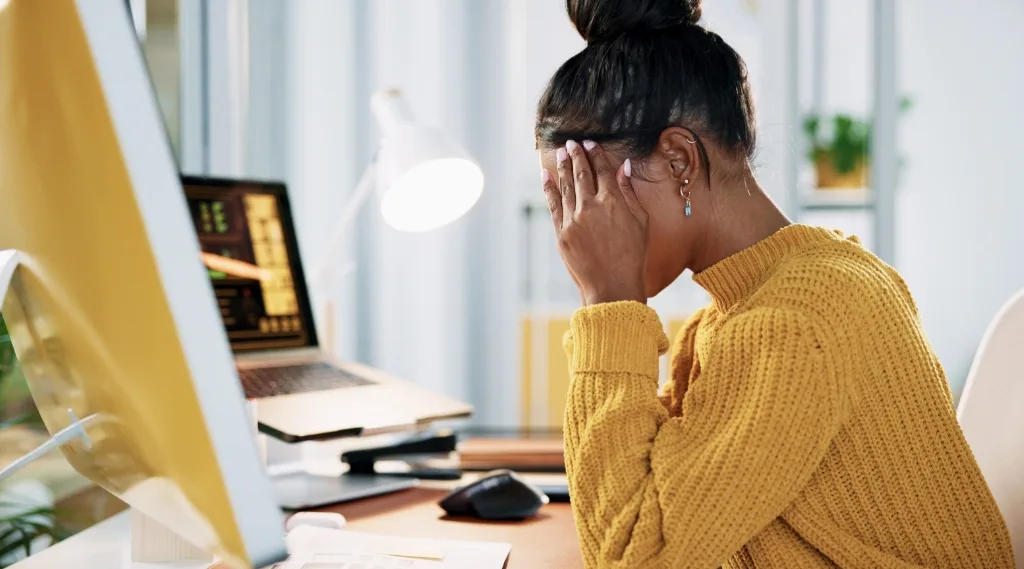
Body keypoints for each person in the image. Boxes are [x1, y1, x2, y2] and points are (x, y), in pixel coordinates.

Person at [535, 1, 1015, 568]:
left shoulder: (792, 324)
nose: (574, 229)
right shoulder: (759, 304)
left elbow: (634, 557)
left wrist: (609, 302)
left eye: (586, 193)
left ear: (678, 160)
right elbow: (650, 493)